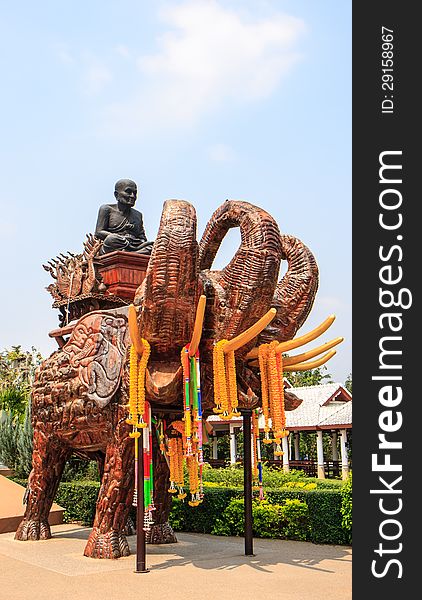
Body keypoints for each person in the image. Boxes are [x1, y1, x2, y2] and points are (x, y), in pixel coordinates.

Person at [95, 179, 153, 255]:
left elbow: (142, 237)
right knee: (111, 239)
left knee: (153, 246)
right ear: (116, 194)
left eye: (135, 193)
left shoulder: (138, 215)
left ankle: (132, 254)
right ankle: (132, 254)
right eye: (128, 192)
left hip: (134, 245)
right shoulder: (107, 209)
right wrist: (120, 237)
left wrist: (136, 239)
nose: (133, 196)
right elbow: (99, 232)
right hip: (116, 243)